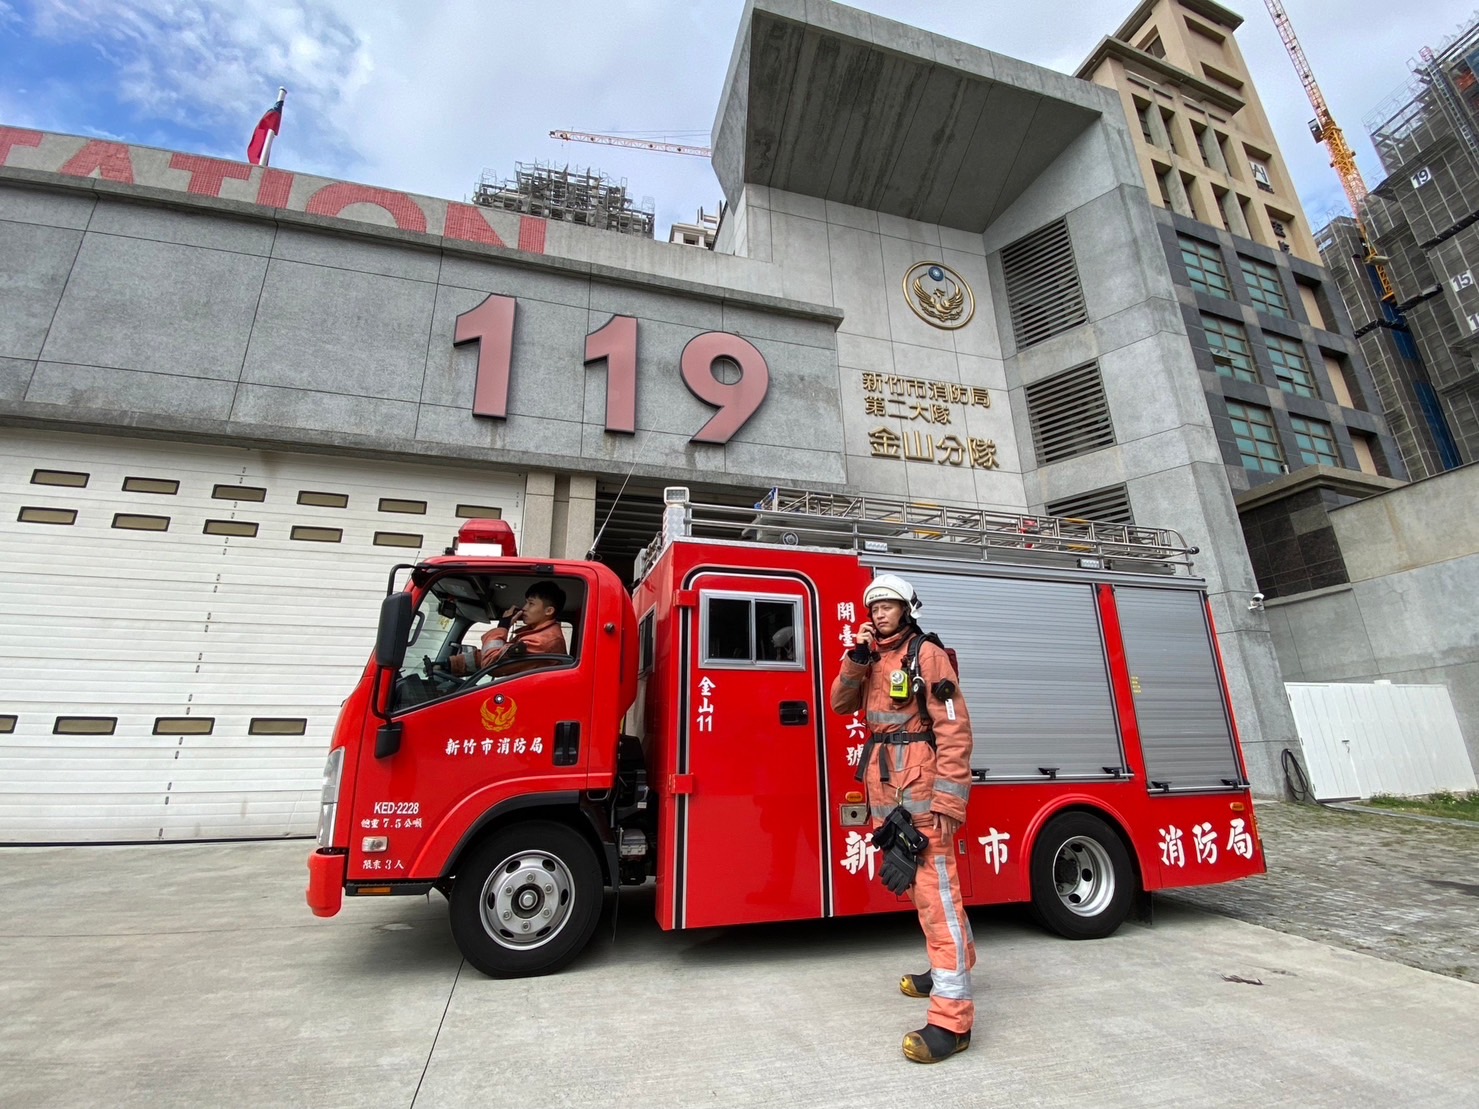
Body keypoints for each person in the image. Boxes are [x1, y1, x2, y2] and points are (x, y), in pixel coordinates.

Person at [829, 573, 976, 1063]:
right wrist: (856, 658)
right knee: (921, 890)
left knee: (938, 896)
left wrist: (950, 801)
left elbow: (954, 730)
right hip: (887, 792)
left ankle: (952, 1020)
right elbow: (839, 703)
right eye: (874, 607)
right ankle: (947, 971)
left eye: (889, 606)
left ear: (907, 609)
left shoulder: (926, 655)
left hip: (923, 794)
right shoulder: (872, 658)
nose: (879, 613)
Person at [449, 580, 568, 675]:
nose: (524, 608)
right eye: (526, 603)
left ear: (549, 611)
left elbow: (491, 664)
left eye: (531, 604)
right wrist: (451, 664)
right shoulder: (535, 635)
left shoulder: (543, 641)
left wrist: (503, 626)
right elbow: (495, 656)